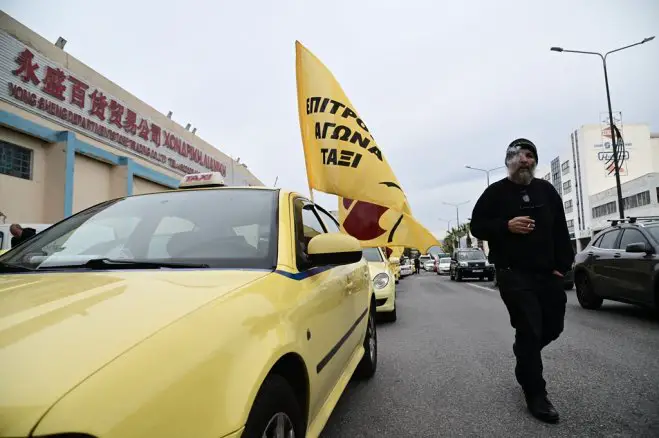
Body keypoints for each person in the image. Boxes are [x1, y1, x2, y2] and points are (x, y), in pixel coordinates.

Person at [470, 138, 574, 423]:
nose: (525, 160)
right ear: (509, 160)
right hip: (513, 273)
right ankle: (536, 394)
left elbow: (561, 231)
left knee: (553, 327)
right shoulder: (495, 193)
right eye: (519, 155)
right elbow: (476, 225)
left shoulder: (547, 191)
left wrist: (561, 267)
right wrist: (505, 226)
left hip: (547, 274)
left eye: (530, 155)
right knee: (529, 328)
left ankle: (524, 353)